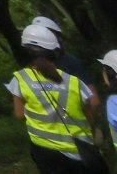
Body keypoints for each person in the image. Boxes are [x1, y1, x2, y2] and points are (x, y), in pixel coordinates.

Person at [12, 23, 102, 173]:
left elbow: (19, 114)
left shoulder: (21, 80)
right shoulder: (74, 81)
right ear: (54, 52)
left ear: (26, 52)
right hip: (79, 149)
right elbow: (92, 105)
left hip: (45, 152)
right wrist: (88, 125)